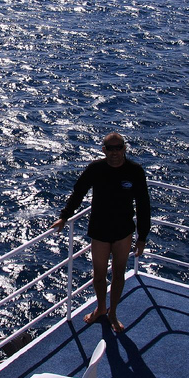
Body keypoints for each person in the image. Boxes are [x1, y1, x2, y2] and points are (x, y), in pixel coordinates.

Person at [51, 132, 151, 333]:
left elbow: (143, 205)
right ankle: (101, 308)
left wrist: (142, 237)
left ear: (124, 148)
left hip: (123, 231)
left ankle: (112, 312)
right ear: (103, 150)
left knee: (118, 274)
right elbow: (78, 193)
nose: (115, 152)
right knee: (98, 277)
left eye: (118, 147)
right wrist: (64, 216)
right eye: (110, 148)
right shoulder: (95, 169)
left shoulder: (135, 171)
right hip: (99, 230)